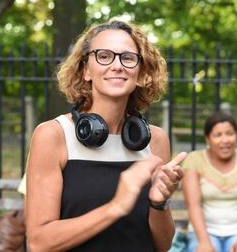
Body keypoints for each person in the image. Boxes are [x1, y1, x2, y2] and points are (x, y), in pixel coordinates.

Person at [23, 20, 187, 252]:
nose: (117, 65)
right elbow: (40, 242)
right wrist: (116, 207)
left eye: (128, 58)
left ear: (141, 73)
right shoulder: (53, 135)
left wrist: (159, 203)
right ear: (86, 70)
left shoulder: (155, 140)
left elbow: (162, 245)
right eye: (104, 56)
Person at [181, 112, 237, 252]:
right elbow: (193, 205)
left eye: (229, 133)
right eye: (217, 135)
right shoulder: (194, 159)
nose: (225, 140)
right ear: (208, 139)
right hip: (204, 233)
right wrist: (204, 242)